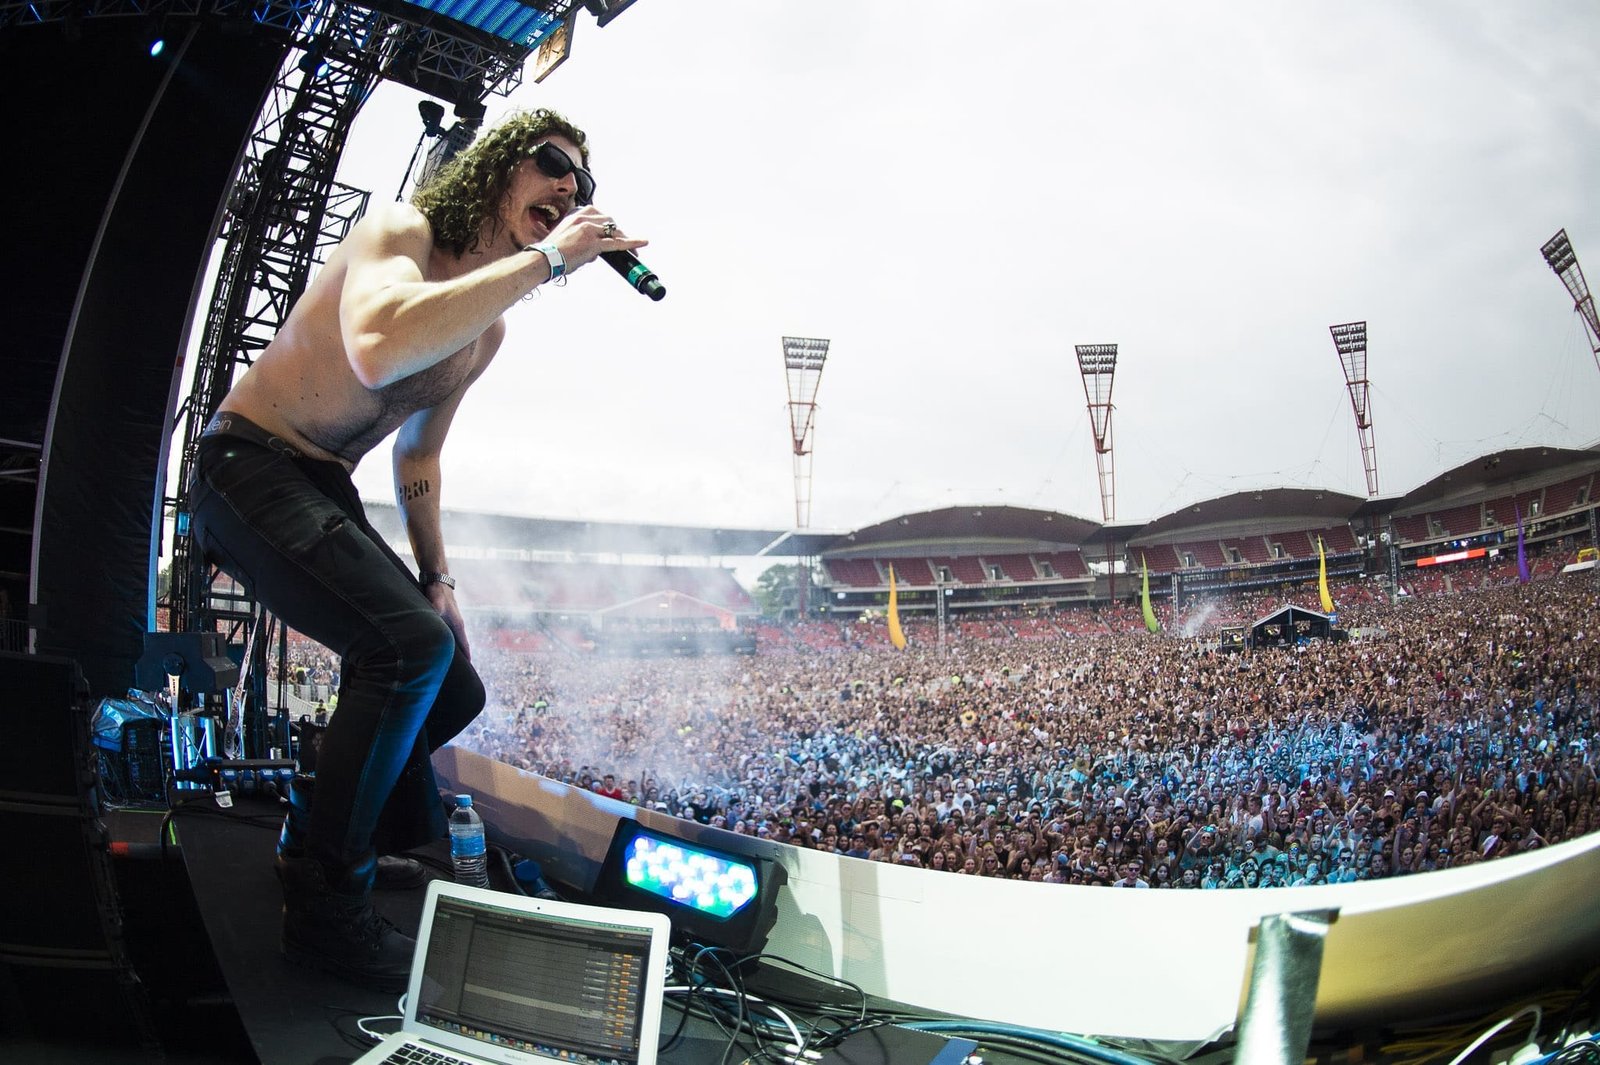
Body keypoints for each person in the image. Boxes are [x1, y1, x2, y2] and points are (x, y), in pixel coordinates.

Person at [188, 107, 646, 991]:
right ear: (499, 169)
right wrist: (547, 260)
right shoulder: (404, 231)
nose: (568, 189)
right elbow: (373, 348)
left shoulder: (487, 329)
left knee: (453, 676)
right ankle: (328, 905)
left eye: (582, 185)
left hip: (321, 482)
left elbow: (419, 452)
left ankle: (320, 826)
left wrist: (438, 576)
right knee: (404, 650)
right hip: (244, 463)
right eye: (553, 165)